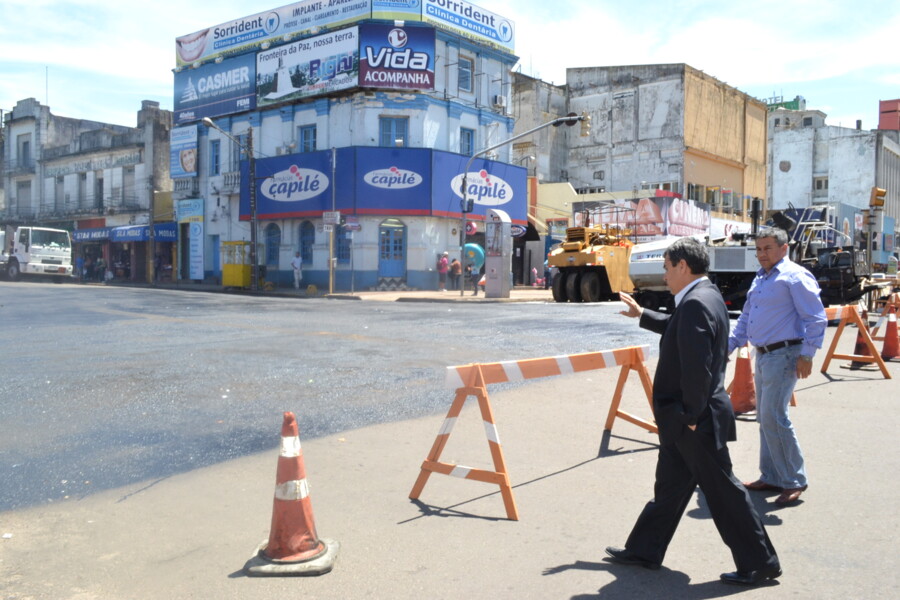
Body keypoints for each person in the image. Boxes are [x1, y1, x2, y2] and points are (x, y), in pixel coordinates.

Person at [606, 237, 780, 586]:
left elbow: (696, 368)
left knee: (724, 491)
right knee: (669, 487)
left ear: (683, 266)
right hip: (684, 417)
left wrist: (689, 416)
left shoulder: (696, 304)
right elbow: (679, 330)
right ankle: (645, 549)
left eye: (667, 268)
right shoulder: (706, 295)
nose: (665, 276)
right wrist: (642, 315)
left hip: (693, 419)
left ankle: (760, 562)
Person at [728, 227, 826, 506]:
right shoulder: (761, 278)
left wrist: (807, 354)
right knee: (765, 417)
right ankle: (771, 475)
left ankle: (794, 480)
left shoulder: (794, 276)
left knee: (775, 416)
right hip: (764, 355)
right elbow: (748, 316)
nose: (761, 254)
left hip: (785, 355)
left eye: (767, 248)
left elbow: (815, 318)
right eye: (758, 249)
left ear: (784, 249)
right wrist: (731, 344)